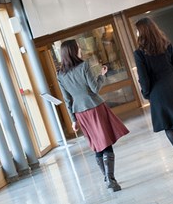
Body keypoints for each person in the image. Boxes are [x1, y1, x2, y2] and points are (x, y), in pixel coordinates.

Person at [56, 39, 130, 192]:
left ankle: (106, 178)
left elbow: (67, 99)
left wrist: (73, 120)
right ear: (73, 51)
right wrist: (102, 75)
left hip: (80, 112)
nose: (80, 49)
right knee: (106, 142)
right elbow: (95, 88)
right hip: (95, 108)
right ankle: (110, 180)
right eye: (78, 47)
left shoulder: (61, 75)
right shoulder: (84, 66)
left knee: (97, 145)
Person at [133, 17, 173, 170]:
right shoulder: (167, 45)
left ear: (141, 32)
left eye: (137, 30)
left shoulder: (139, 53)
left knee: (168, 126)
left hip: (158, 92)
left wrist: (146, 93)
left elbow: (143, 77)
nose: (136, 33)